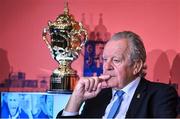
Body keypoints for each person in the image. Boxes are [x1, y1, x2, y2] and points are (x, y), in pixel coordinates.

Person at [56, 31, 178, 118]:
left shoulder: (160, 95)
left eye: (116, 60)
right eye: (104, 60)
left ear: (136, 66)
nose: (106, 66)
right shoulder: (97, 96)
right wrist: (76, 99)